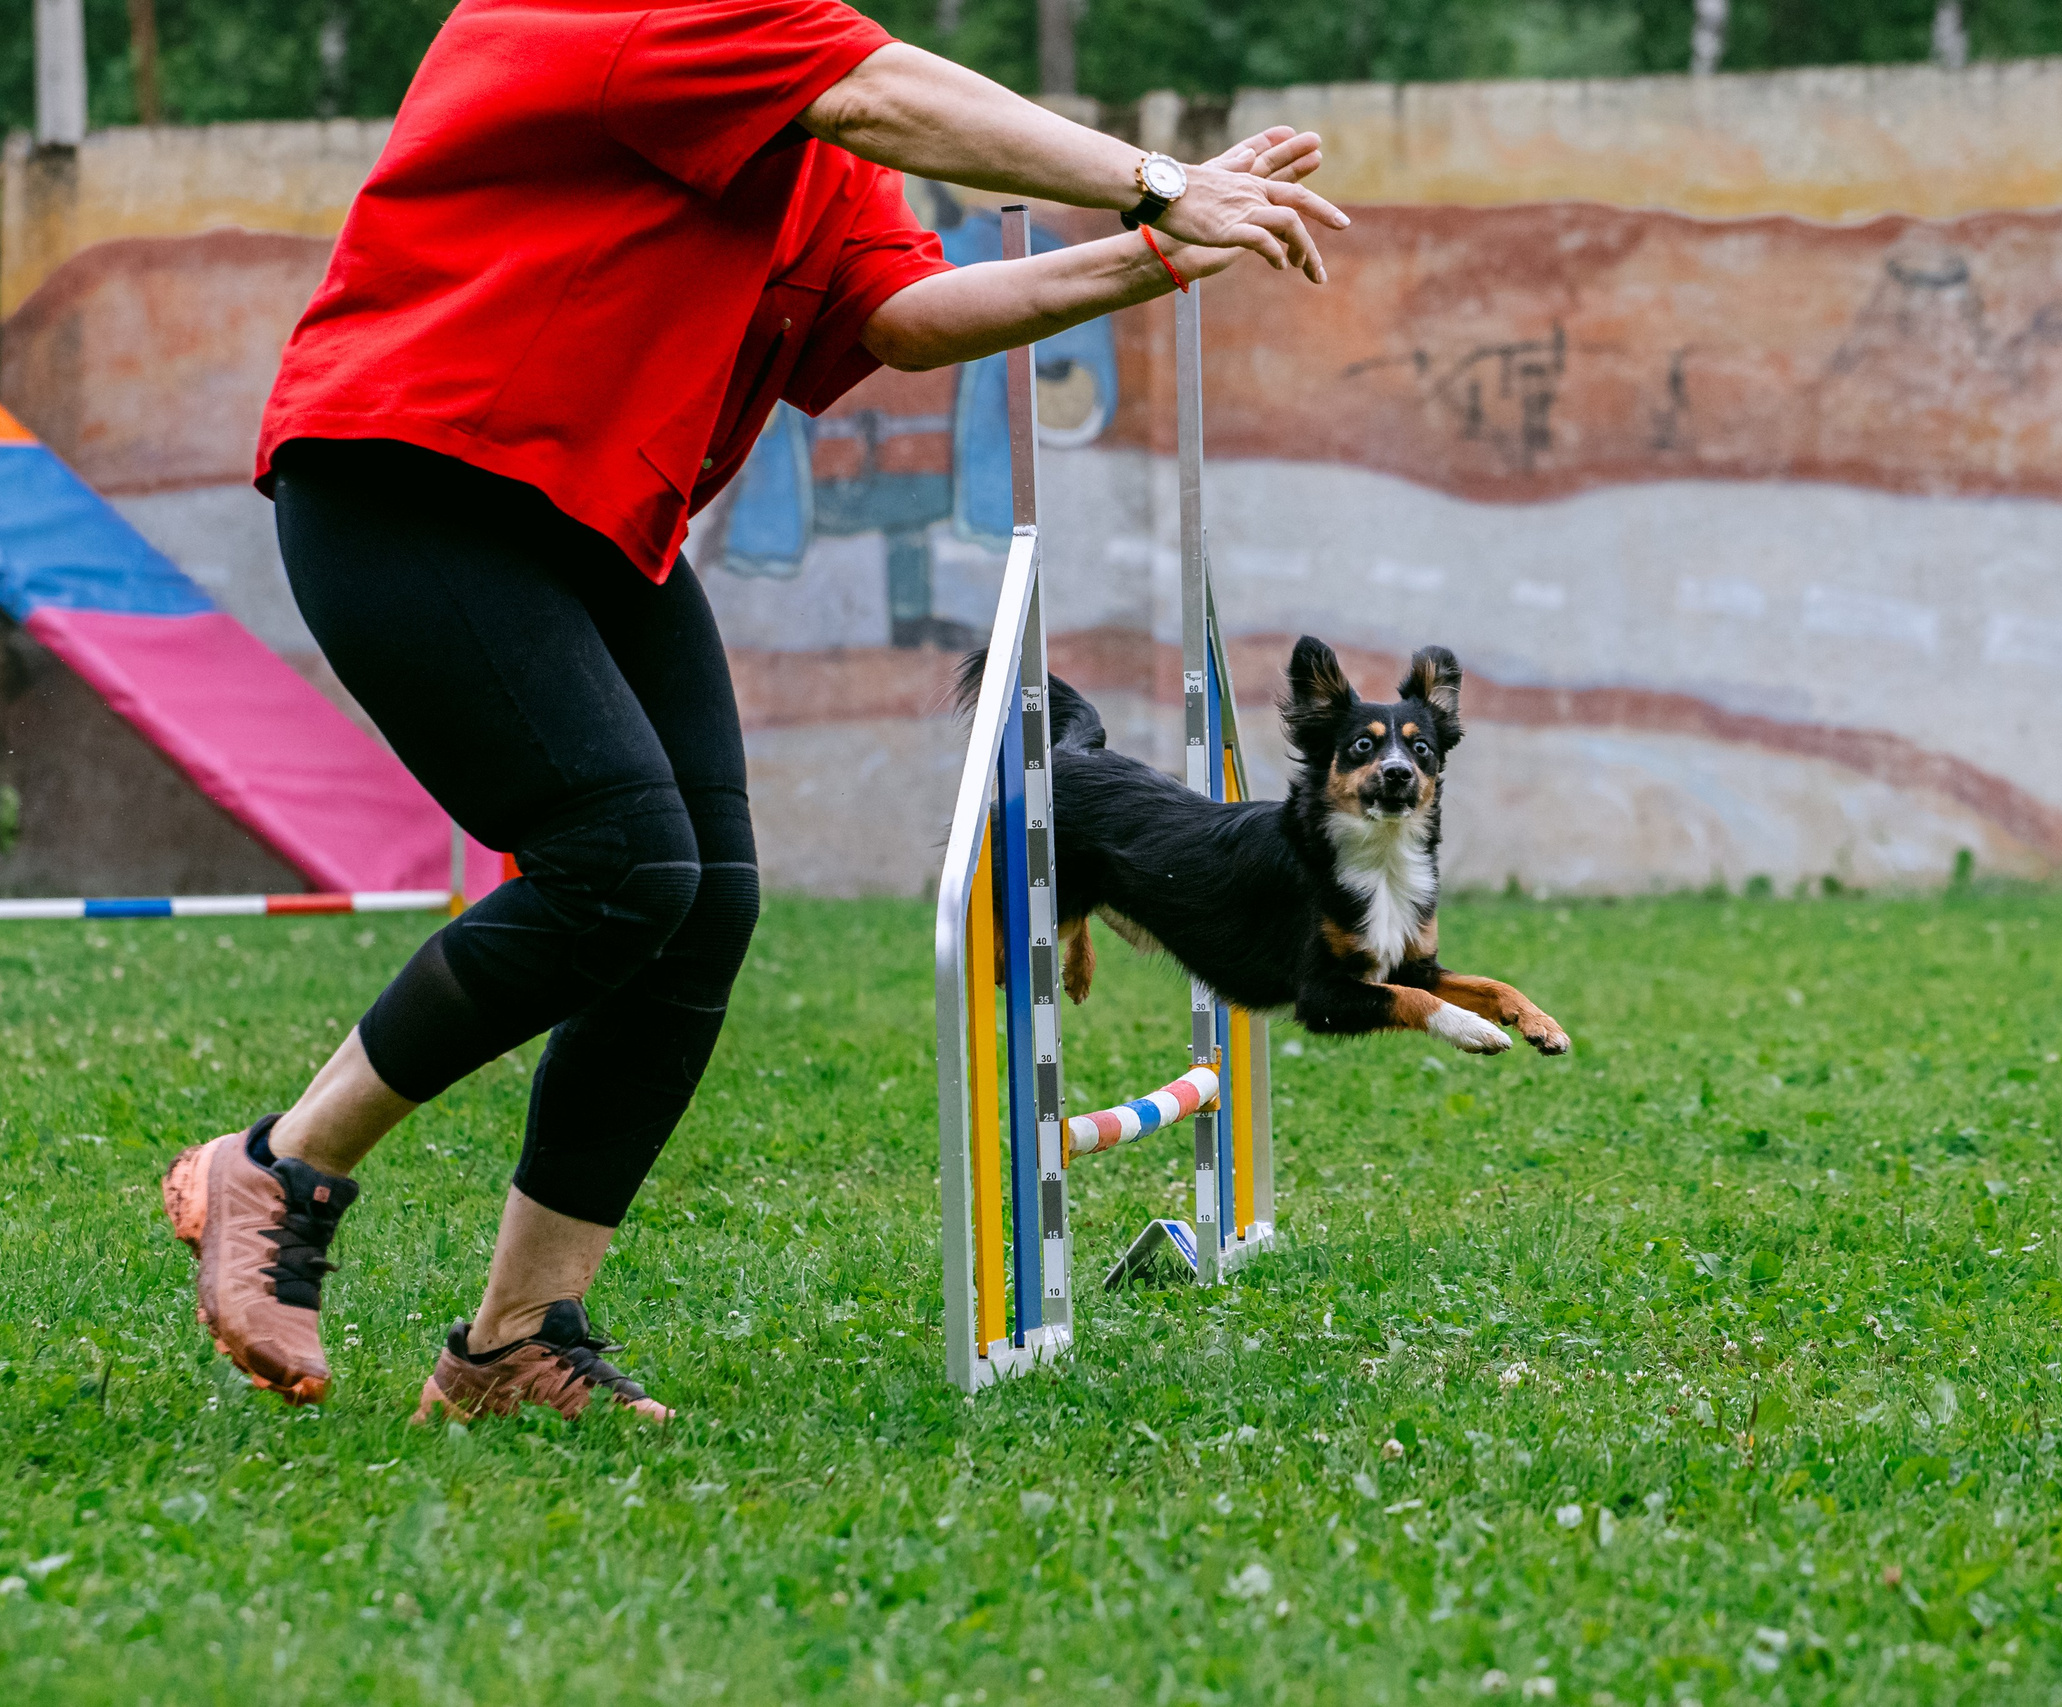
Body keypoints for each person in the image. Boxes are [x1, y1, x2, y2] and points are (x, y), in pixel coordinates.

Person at [158, 0, 1348, 1423]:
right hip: (419, 475)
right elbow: (879, 94)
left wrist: (1155, 254)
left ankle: (513, 1347)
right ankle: (280, 1167)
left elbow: (897, 317)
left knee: (702, 895)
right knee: (619, 865)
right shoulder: (671, 14)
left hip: (592, 520)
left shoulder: (818, 96)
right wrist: (1159, 178)